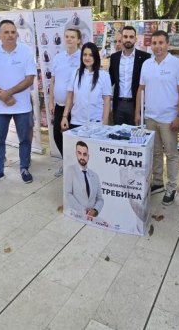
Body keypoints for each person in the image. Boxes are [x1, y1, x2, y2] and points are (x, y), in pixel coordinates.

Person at [0, 20, 37, 188]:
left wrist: (9, 93)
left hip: (22, 107)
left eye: (13, 32)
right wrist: (3, 96)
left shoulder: (26, 51)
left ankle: (24, 168)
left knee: (25, 140)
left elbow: (29, 79)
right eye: (6, 32)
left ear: (17, 34)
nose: (10, 35)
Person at [135, 30, 179, 205]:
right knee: (155, 152)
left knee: (171, 154)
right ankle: (157, 182)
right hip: (150, 117)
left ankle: (172, 187)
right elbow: (141, 89)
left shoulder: (177, 64)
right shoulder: (147, 64)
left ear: (167, 44)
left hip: (169, 118)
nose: (158, 46)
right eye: (155, 43)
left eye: (161, 43)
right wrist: (138, 112)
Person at [49, 28, 82, 173]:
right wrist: (50, 101)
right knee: (58, 135)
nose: (69, 39)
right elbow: (53, 81)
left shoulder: (83, 57)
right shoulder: (58, 57)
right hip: (59, 105)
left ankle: (76, 167)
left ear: (79, 40)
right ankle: (66, 163)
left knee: (74, 138)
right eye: (67, 36)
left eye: (73, 37)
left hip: (76, 107)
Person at [61, 42, 111, 130]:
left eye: (91, 55)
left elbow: (107, 100)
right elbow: (70, 96)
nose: (87, 58)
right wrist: (65, 116)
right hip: (76, 122)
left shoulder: (104, 75)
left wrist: (105, 121)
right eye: (85, 54)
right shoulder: (75, 73)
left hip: (96, 123)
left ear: (95, 57)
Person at [108, 26, 150, 125]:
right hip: (118, 104)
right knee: (118, 136)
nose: (128, 39)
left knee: (135, 136)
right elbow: (110, 80)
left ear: (135, 39)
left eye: (131, 37)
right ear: (121, 38)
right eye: (125, 36)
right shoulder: (114, 58)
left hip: (135, 105)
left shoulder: (145, 58)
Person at [64, 141, 104, 220]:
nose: (82, 157)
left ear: (88, 156)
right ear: (76, 154)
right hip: (75, 215)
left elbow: (100, 199)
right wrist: (83, 210)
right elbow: (68, 194)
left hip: (92, 218)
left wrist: (95, 210)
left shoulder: (95, 176)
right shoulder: (70, 170)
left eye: (85, 154)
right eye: (79, 153)